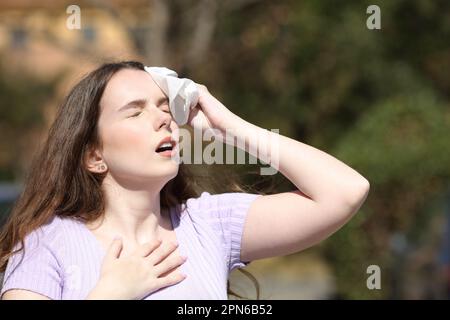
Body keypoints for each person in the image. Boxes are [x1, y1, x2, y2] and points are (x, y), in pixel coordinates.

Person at [0, 61, 370, 300]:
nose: (163, 119)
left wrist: (228, 127)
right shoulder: (45, 245)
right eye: (136, 111)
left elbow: (344, 192)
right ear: (94, 156)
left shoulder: (208, 224)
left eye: (165, 108)